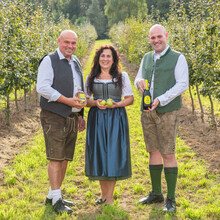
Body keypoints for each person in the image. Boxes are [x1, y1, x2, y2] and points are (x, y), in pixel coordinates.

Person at [134, 24, 189, 213]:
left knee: (168, 153)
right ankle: (156, 193)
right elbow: (138, 78)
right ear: (149, 39)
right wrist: (138, 82)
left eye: (159, 36)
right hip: (148, 111)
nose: (156, 40)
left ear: (166, 35)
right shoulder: (147, 57)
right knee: (153, 151)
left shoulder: (177, 58)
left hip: (168, 111)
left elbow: (182, 84)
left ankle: (171, 198)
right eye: (152, 38)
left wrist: (161, 99)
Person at [36, 30, 86, 215]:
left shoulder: (77, 61)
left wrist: (80, 113)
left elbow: (79, 89)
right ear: (59, 41)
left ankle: (53, 196)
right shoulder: (49, 60)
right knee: (55, 158)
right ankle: (57, 199)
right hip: (54, 115)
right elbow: (42, 87)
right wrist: (66, 101)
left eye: (73, 43)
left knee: (65, 157)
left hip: (72, 116)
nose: (70, 46)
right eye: (66, 42)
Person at [85, 45, 134, 205]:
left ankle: (110, 196)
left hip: (116, 118)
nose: (105, 59)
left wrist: (117, 105)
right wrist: (94, 102)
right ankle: (103, 194)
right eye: (102, 56)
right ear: (98, 58)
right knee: (99, 153)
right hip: (97, 118)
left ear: (113, 60)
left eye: (108, 56)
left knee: (113, 154)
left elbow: (130, 98)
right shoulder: (91, 77)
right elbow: (84, 100)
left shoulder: (122, 76)